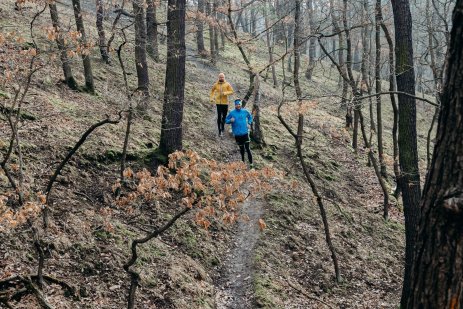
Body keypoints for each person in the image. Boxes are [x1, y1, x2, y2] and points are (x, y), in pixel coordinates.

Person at [225, 99, 253, 167]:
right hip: (237, 134)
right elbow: (226, 120)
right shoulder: (232, 113)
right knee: (241, 149)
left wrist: (249, 123)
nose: (238, 105)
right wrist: (230, 120)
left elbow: (250, 117)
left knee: (247, 149)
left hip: (245, 133)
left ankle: (251, 164)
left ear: (241, 104)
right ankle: (243, 162)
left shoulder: (245, 111)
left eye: (239, 104)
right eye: (237, 104)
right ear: (235, 105)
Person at [210, 73, 234, 137]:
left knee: (224, 116)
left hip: (225, 103)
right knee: (219, 116)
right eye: (220, 77)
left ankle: (223, 126)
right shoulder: (216, 84)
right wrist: (212, 98)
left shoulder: (227, 84)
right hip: (218, 103)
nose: (221, 78)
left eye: (222, 77)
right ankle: (219, 130)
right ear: (218, 77)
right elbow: (212, 91)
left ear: (224, 77)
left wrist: (225, 93)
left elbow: (231, 91)